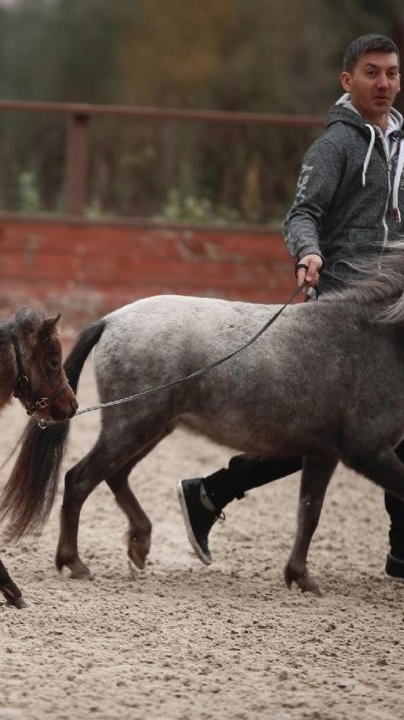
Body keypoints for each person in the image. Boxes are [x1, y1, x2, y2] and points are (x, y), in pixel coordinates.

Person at [177, 33, 404, 582]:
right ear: (347, 82)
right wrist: (309, 253)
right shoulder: (336, 147)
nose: (385, 84)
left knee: (363, 433)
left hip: (394, 309)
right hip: (343, 315)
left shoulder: (402, 144)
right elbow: (302, 213)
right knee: (341, 434)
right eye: (372, 73)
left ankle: (211, 492)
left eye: (393, 73)